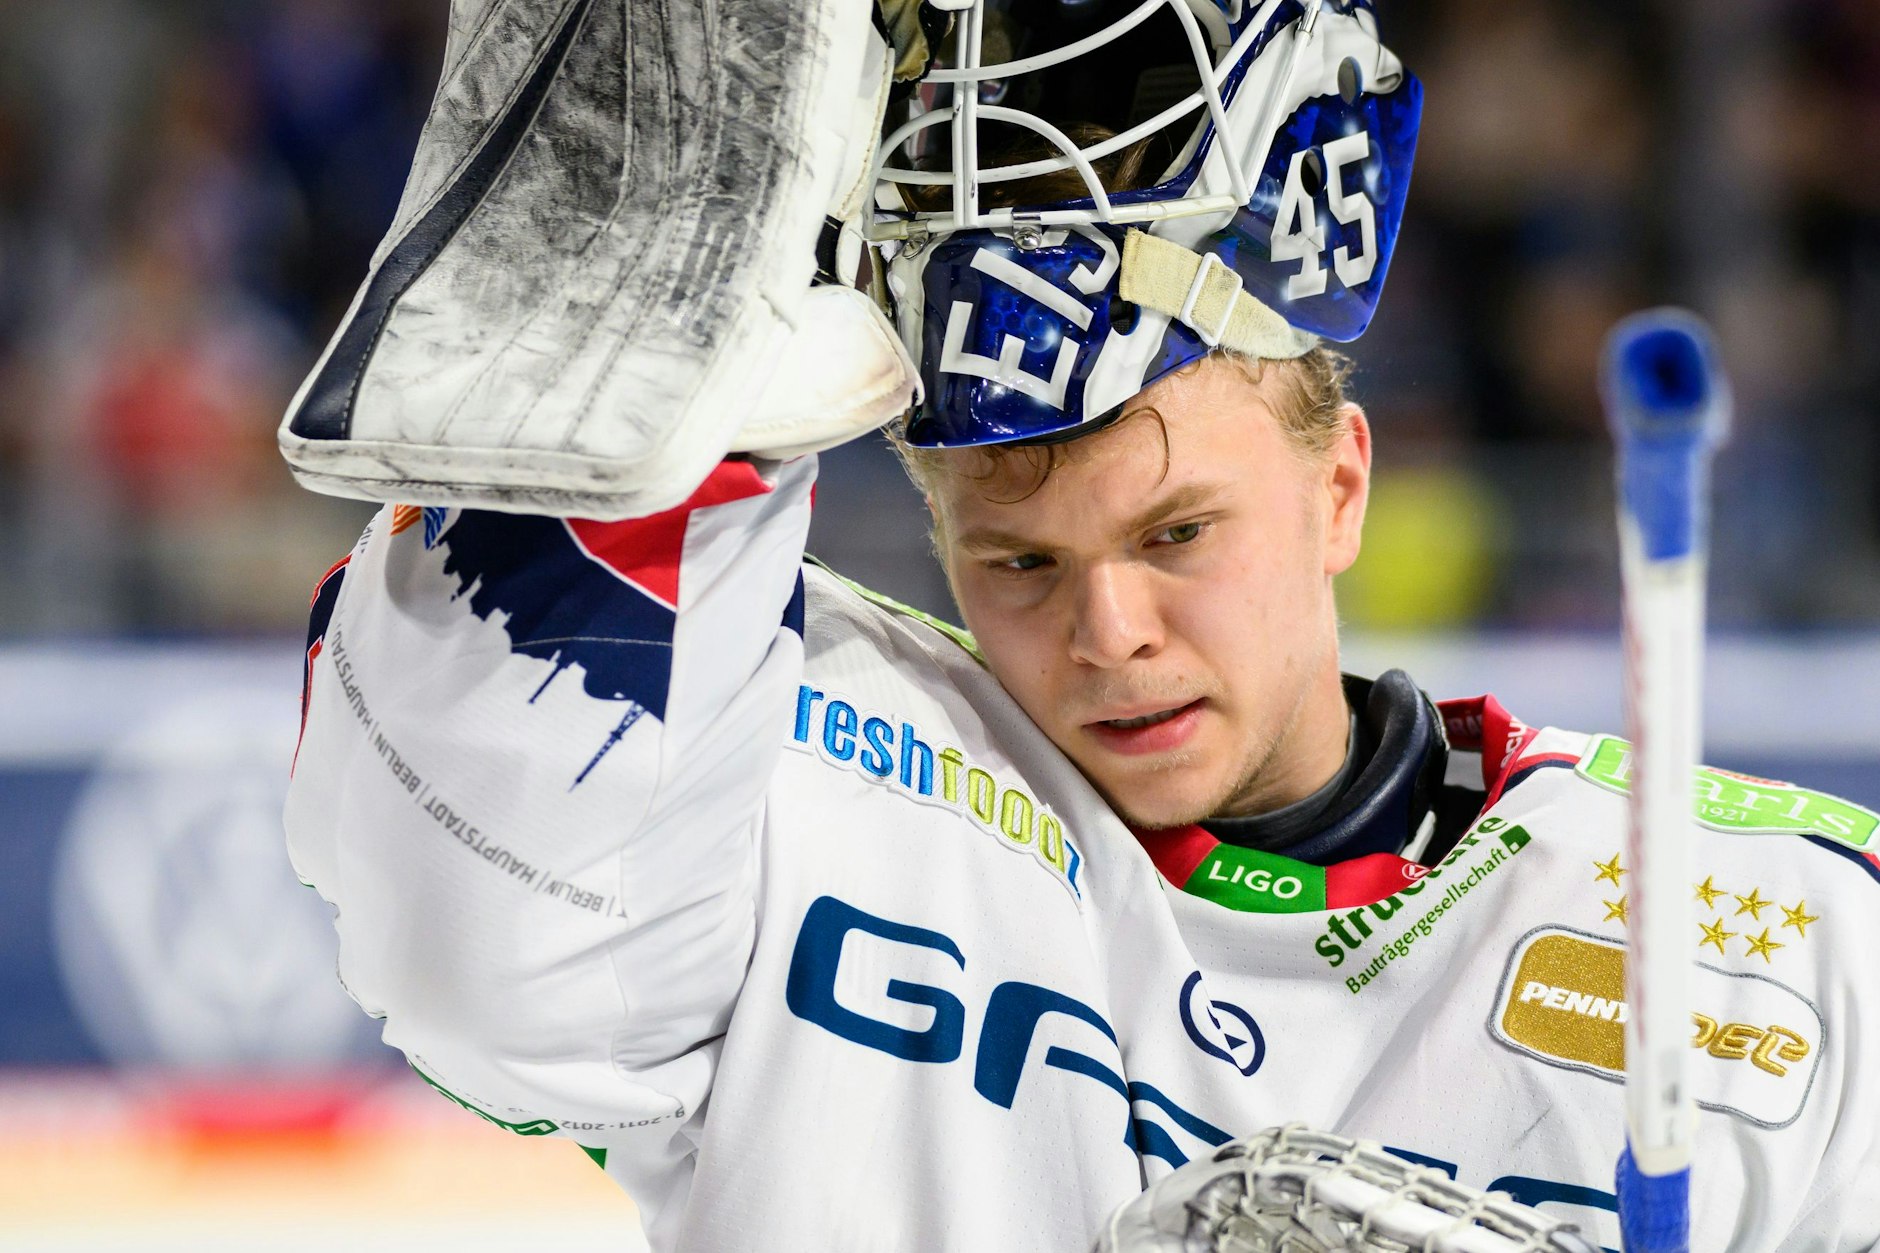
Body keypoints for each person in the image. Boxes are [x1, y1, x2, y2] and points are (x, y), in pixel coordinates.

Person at [284, 1, 1880, 1249]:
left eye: (1177, 534)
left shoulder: (1787, 943)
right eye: (1020, 560)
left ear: (1339, 487)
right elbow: (482, 946)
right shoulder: (793, 768)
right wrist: (654, 299)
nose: (1108, 630)